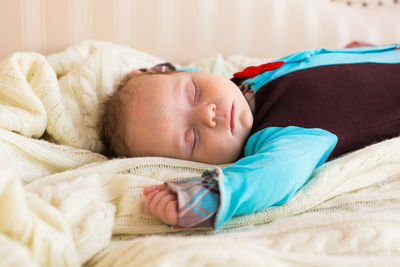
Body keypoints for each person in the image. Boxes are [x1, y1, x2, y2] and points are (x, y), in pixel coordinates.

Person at [101, 44, 400, 229]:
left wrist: (364, 52)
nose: (208, 113)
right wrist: (209, 196)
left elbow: (192, 79)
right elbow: (273, 177)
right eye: (192, 139)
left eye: (194, 92)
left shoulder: (240, 85)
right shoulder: (285, 136)